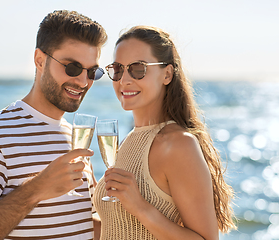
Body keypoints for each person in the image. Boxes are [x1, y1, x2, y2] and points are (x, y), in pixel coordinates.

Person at [0, 10, 107, 240]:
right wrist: (36, 189)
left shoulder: (75, 136)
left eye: (92, 72)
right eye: (72, 67)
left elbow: (81, 223)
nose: (83, 81)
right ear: (40, 60)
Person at [94, 26, 236, 240]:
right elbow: (119, 230)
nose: (124, 80)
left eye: (138, 69)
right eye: (118, 69)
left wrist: (141, 207)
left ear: (167, 74)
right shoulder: (129, 140)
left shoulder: (178, 144)